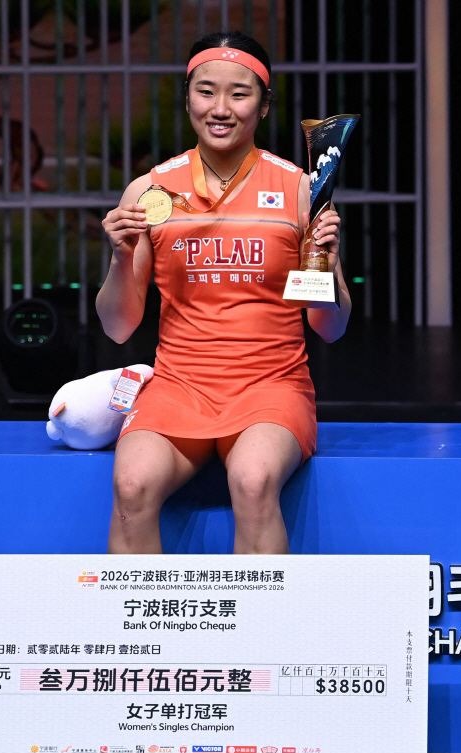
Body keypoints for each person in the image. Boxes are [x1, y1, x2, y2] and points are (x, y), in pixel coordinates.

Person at [96, 31, 351, 555]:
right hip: (178, 386)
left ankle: (259, 637)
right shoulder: (150, 191)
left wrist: (323, 263)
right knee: (131, 485)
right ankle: (144, 637)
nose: (220, 108)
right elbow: (118, 325)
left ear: (263, 105)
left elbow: (332, 326)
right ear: (187, 97)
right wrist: (122, 257)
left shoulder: (301, 190)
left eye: (239, 94)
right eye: (206, 91)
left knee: (254, 481)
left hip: (270, 387)